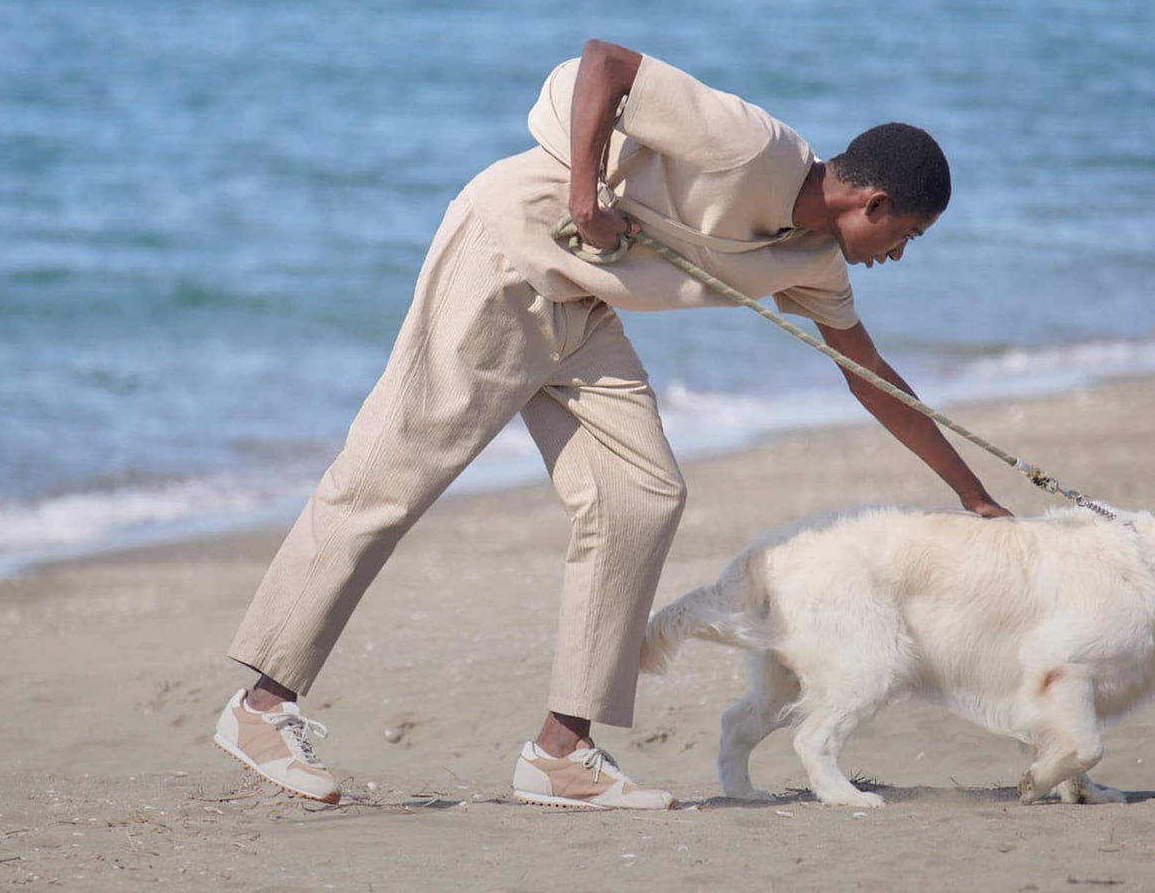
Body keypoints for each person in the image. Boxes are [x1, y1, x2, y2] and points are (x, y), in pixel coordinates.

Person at [214, 39, 1011, 810]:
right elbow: (607, 63)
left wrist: (973, 494)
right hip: (507, 261)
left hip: (586, 311)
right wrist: (586, 194)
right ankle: (261, 703)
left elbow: (870, 379)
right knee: (390, 480)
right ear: (873, 204)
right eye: (905, 235)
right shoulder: (751, 146)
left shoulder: (813, 263)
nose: (898, 255)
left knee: (642, 495)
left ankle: (562, 752)